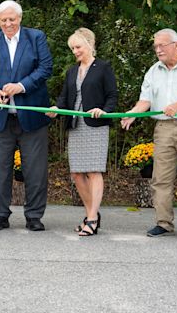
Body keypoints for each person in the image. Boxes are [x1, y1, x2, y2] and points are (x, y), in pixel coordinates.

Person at [121, 28, 177, 239]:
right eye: (156, 47)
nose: (158, 50)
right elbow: (145, 100)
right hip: (163, 129)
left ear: (176, 45)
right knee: (160, 178)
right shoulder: (153, 71)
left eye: (162, 45)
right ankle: (163, 222)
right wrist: (133, 114)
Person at [0, 0, 53, 231]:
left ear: (20, 18)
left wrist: (22, 85)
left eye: (12, 19)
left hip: (32, 116)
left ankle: (34, 216)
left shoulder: (36, 37)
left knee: (35, 170)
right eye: (3, 20)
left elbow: (45, 68)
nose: (8, 24)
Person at [47, 28, 117, 236]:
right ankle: (91, 214)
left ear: (89, 43)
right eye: (72, 48)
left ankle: (93, 219)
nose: (75, 51)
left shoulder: (103, 67)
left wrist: (103, 110)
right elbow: (63, 97)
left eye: (77, 47)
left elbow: (112, 96)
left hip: (95, 126)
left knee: (94, 171)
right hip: (76, 125)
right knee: (77, 174)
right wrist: (56, 110)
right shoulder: (71, 71)